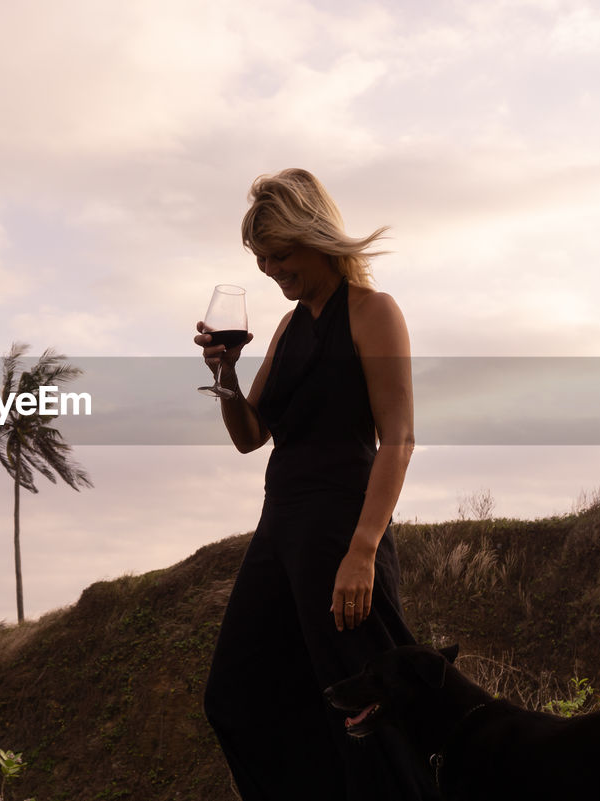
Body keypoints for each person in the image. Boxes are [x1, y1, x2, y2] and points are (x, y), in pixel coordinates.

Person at [198, 168, 429, 799]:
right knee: (237, 697)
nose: (270, 270)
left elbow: (398, 439)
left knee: (371, 710)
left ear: (314, 237)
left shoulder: (372, 312)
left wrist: (362, 552)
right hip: (281, 527)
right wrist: (225, 378)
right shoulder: (290, 326)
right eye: (259, 259)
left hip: (342, 528)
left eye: (278, 254)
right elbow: (251, 434)